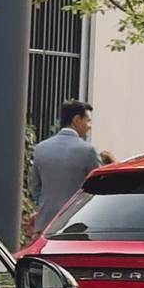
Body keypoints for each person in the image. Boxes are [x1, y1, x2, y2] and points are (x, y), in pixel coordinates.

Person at [30, 101, 101, 239]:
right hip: (78, 225)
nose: (89, 126)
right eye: (88, 121)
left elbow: (36, 188)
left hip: (45, 225)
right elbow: (99, 188)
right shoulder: (88, 151)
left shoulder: (40, 148)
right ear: (76, 120)